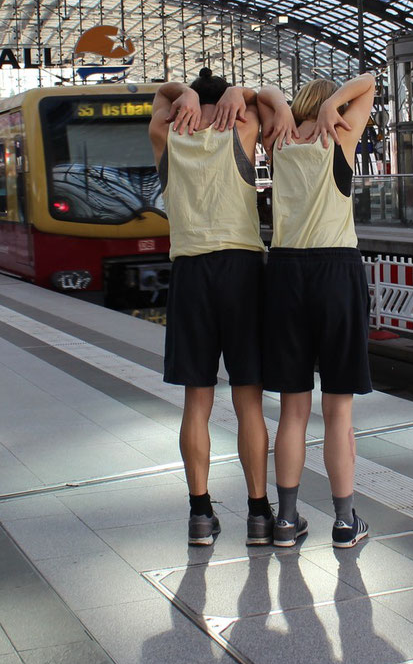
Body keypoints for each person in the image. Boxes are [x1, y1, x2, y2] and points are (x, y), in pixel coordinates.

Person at [149, 69, 293, 547]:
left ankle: (200, 515)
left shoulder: (167, 136)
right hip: (242, 270)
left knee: (197, 400)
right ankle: (257, 515)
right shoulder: (242, 128)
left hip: (190, 273)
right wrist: (242, 92)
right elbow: (270, 102)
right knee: (247, 398)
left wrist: (182, 94)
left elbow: (159, 99)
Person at [258, 72, 376, 549]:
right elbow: (368, 82)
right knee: (338, 411)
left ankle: (286, 521)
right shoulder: (341, 133)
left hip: (285, 272)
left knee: (292, 409)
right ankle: (345, 522)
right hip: (336, 269)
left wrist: (281, 108)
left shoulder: (279, 136)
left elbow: (257, 97)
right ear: (331, 108)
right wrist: (336, 107)